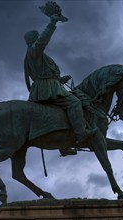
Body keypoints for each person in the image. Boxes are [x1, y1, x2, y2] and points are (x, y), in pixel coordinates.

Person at [24, 14, 97, 144]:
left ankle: (64, 145)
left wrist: (60, 80)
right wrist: (52, 23)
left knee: (59, 111)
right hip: (47, 89)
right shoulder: (34, 51)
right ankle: (81, 133)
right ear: (33, 39)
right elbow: (43, 41)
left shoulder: (35, 55)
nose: (38, 39)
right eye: (37, 37)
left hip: (49, 87)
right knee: (74, 103)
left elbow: (45, 75)